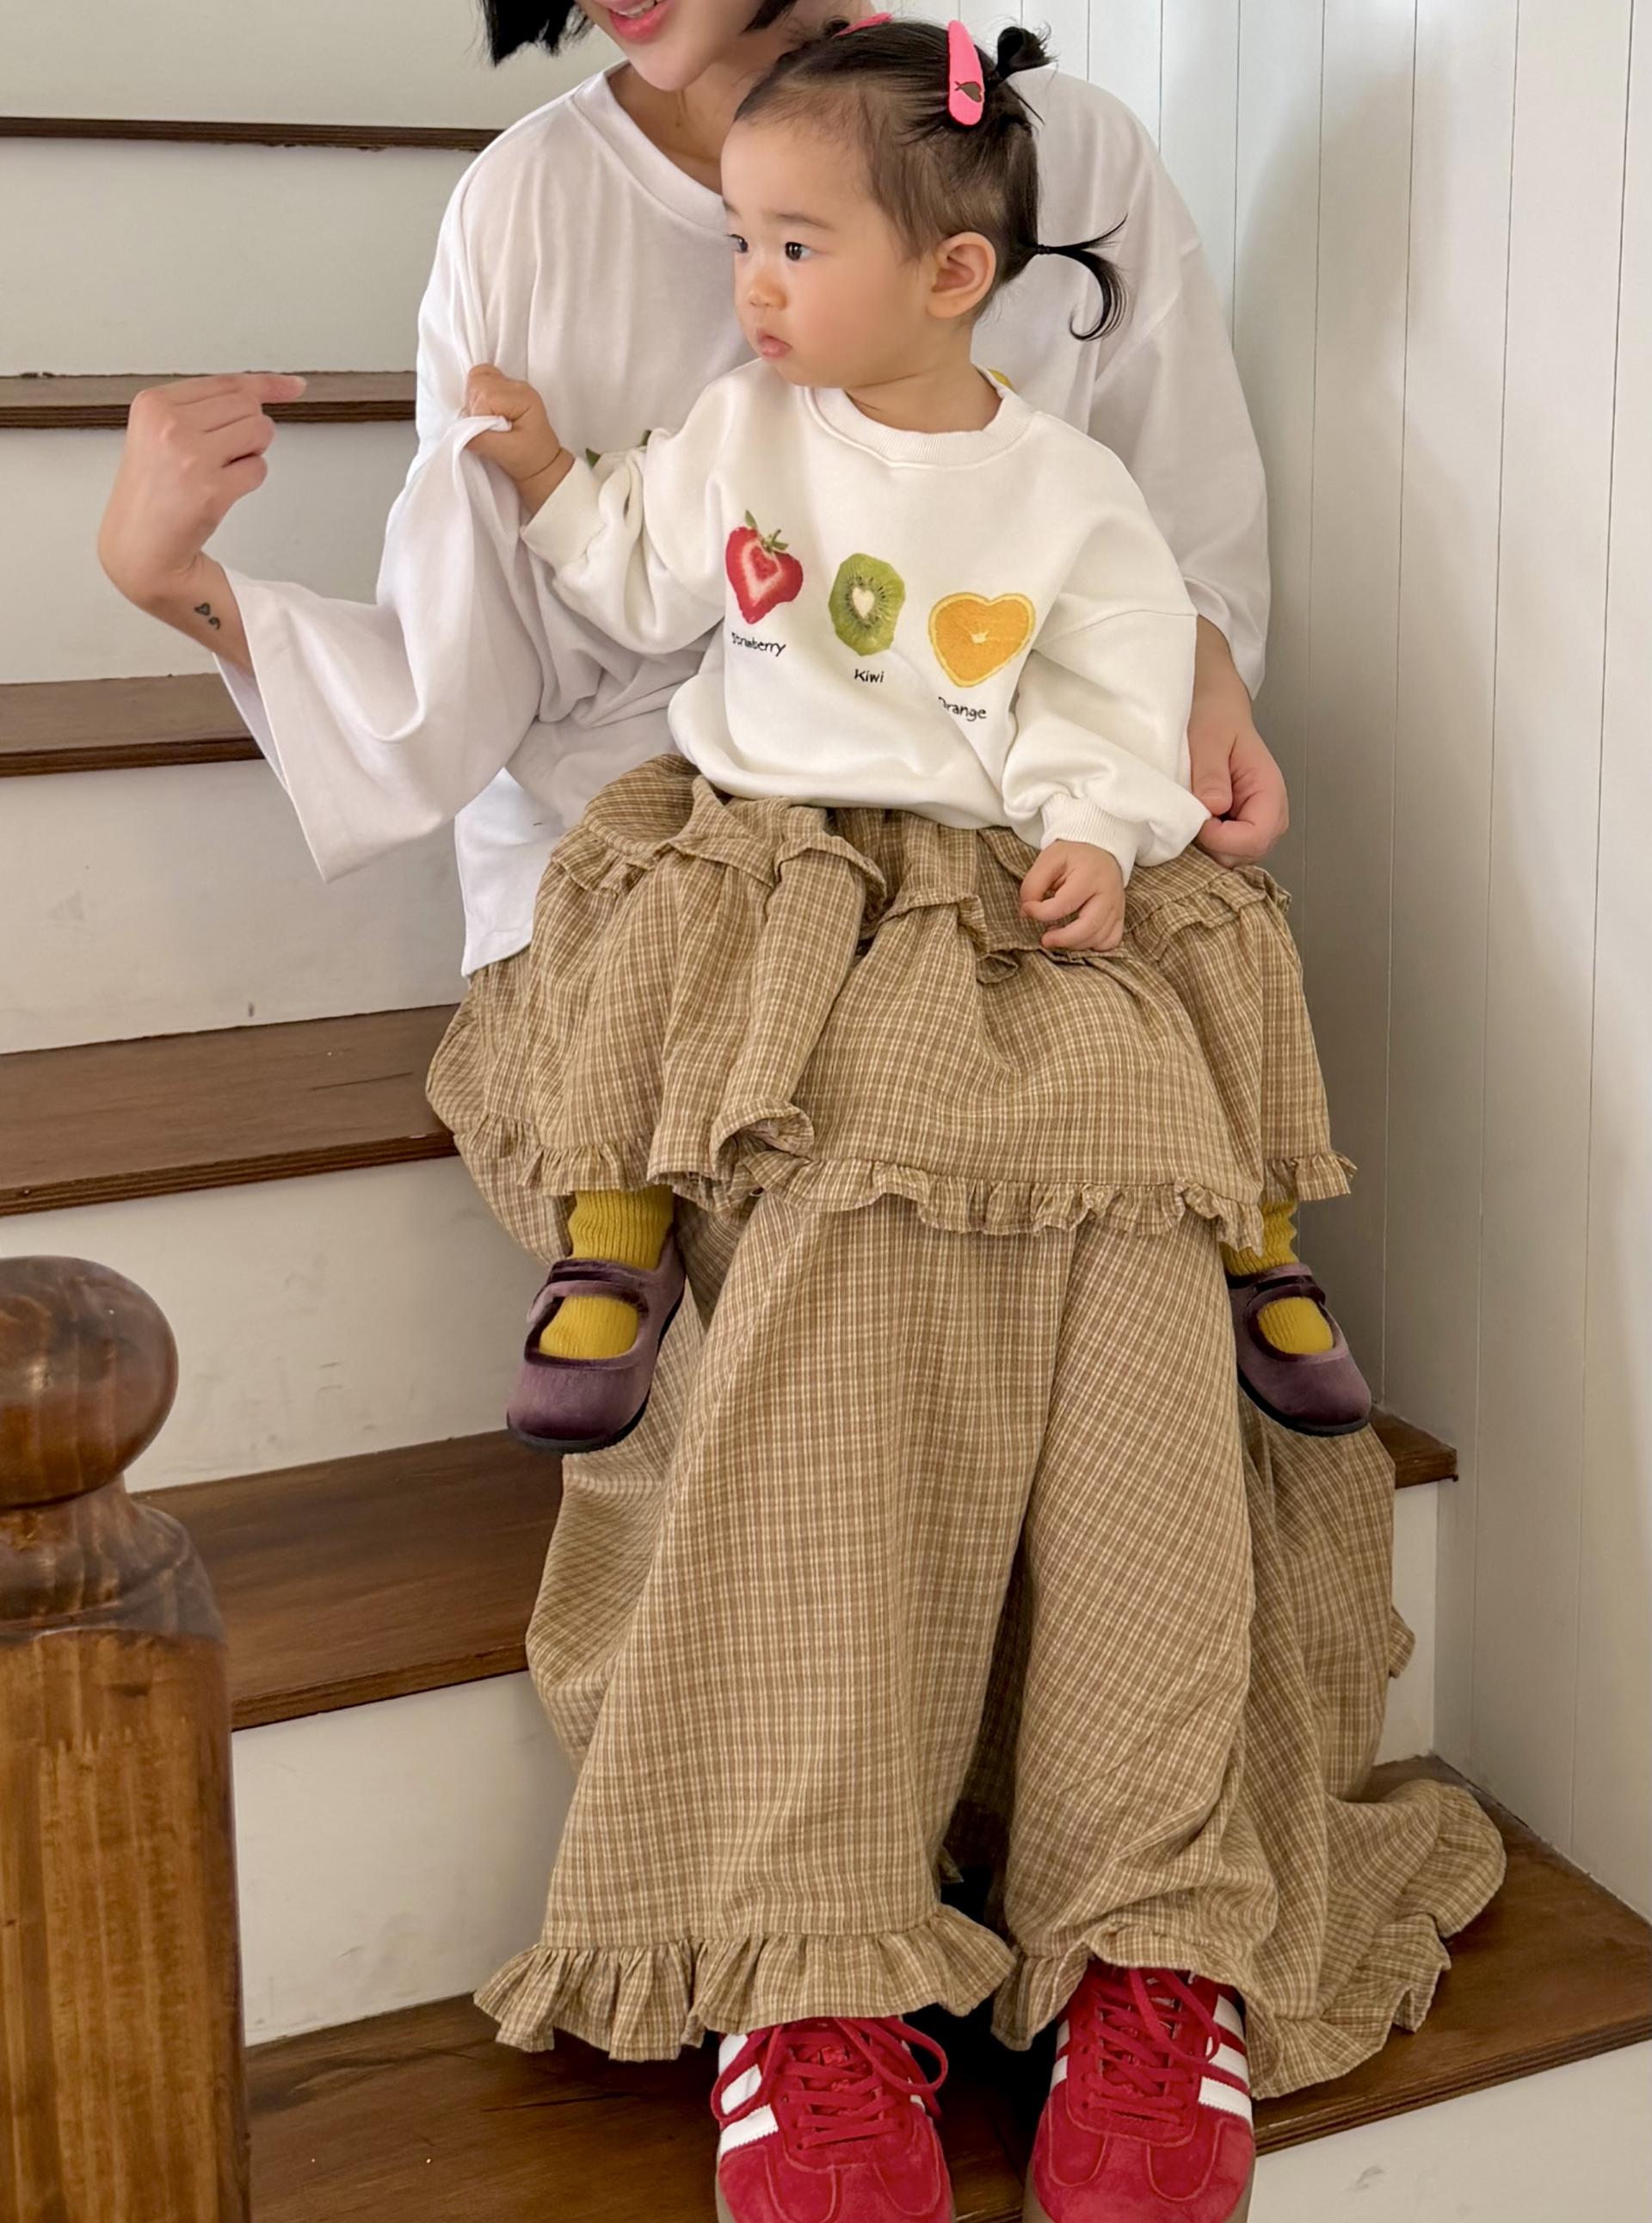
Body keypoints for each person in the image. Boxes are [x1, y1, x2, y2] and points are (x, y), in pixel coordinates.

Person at [95, 8, 1506, 2223]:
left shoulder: (1048, 150)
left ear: (952, 262)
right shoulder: (541, 214)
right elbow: (488, 656)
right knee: (848, 1237)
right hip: (688, 907)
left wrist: (1167, 733)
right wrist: (177, 582)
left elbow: (1171, 573)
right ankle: (808, 1958)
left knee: (1134, 1252)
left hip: (1027, 851)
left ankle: (1154, 1938)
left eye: (795, 242)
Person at [458, 14, 1371, 1472]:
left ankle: (1258, 1234)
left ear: (951, 276)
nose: (752, 287)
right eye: (741, 244)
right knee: (645, 928)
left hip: (983, 824)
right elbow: (641, 571)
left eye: (794, 249)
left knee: (1224, 939)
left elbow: (1115, 677)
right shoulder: (744, 427)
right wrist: (551, 476)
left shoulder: (1067, 487)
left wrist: (1093, 824)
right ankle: (615, 1230)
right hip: (764, 813)